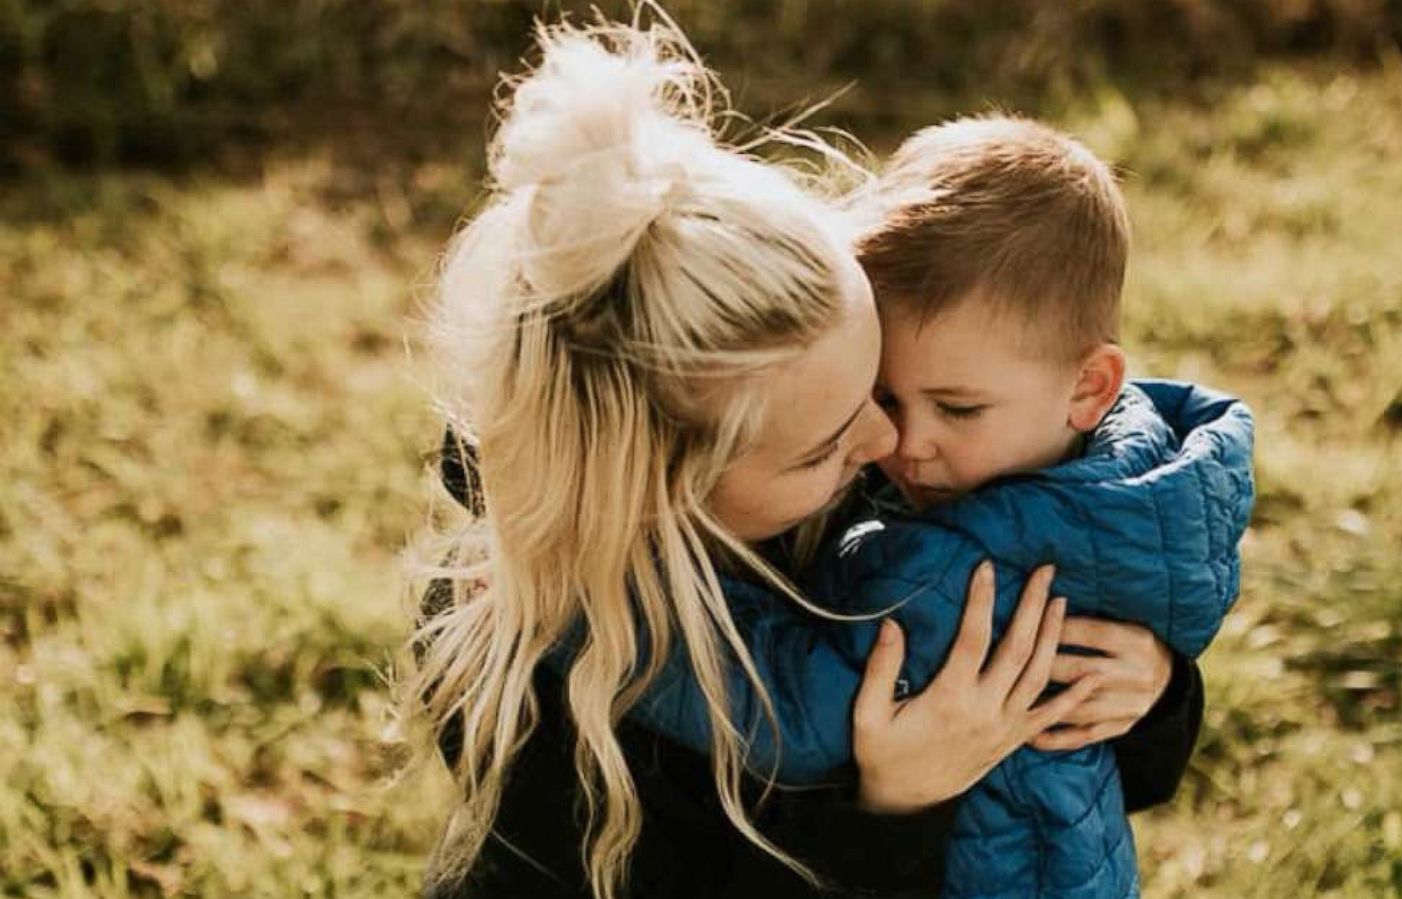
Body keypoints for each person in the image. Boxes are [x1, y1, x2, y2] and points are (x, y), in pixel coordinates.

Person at [408, 15, 1206, 899]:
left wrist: (1152, 695)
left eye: (877, 383)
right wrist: (889, 805)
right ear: (661, 492)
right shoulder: (538, 675)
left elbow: (1091, 779)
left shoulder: (904, 482)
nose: (886, 441)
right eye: (825, 447)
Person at [562, 117, 1256, 898]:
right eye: (882, 391)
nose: (900, 438)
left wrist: (586, 610)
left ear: (1090, 387)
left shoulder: (965, 563)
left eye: (956, 409)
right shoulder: (1136, 488)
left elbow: (790, 705)